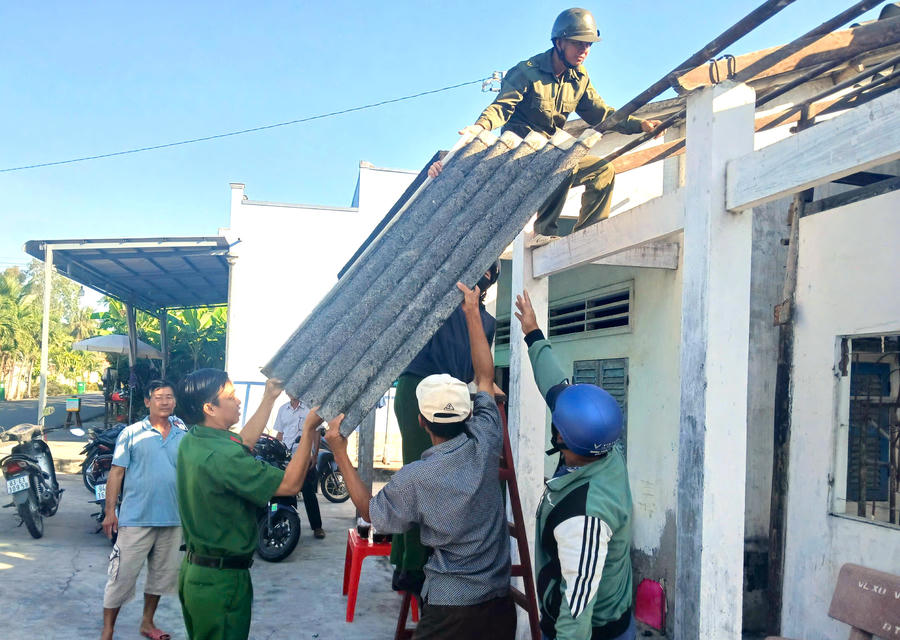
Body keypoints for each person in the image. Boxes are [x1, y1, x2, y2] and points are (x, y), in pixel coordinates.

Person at [325, 281, 515, 640]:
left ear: (419, 421)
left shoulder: (416, 479)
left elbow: (369, 511)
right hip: (499, 605)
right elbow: (485, 376)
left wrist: (339, 450)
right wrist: (472, 312)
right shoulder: (487, 441)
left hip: (450, 611)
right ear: (469, 413)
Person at [429, 8, 661, 247]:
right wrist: (480, 127)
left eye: (588, 45)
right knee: (564, 161)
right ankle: (543, 230)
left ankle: (588, 234)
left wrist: (640, 125)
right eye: (578, 44)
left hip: (552, 153)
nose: (584, 51)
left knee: (602, 170)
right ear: (559, 42)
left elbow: (601, 114)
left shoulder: (579, 79)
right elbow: (501, 107)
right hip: (520, 156)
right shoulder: (527, 72)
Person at [515, 289, 634, 640]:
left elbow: (577, 607)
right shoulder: (604, 448)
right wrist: (533, 334)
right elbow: (555, 384)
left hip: (595, 632)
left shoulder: (585, 518)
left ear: (563, 439)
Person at [175, 372, 320, 640]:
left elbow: (242, 445)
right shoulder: (223, 457)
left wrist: (270, 396)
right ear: (209, 408)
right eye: (230, 397)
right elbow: (289, 485)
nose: (238, 400)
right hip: (222, 583)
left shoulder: (194, 439)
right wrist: (308, 430)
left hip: (196, 575)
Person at [389, 263, 499, 595]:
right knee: (420, 476)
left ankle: (407, 559)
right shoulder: (437, 298)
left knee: (433, 478)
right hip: (418, 391)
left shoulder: (486, 322)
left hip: (451, 395)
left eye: (488, 268)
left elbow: (473, 370)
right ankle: (412, 566)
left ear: (491, 278)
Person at [100, 380, 187, 640]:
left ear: (175, 402)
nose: (165, 401)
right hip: (136, 519)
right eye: (159, 397)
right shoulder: (132, 433)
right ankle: (108, 630)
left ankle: (148, 623)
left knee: (161, 578)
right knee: (121, 577)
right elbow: (116, 473)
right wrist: (109, 512)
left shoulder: (183, 436)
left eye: (169, 397)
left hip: (172, 519)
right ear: (148, 402)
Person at [274, 392, 325, 539]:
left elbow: (316, 432)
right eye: (287, 389)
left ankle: (317, 527)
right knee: (287, 492)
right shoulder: (282, 409)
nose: (290, 392)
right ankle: (290, 525)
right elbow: (280, 433)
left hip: (304, 456)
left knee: (308, 491)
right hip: (286, 456)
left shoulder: (309, 408)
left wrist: (314, 455)